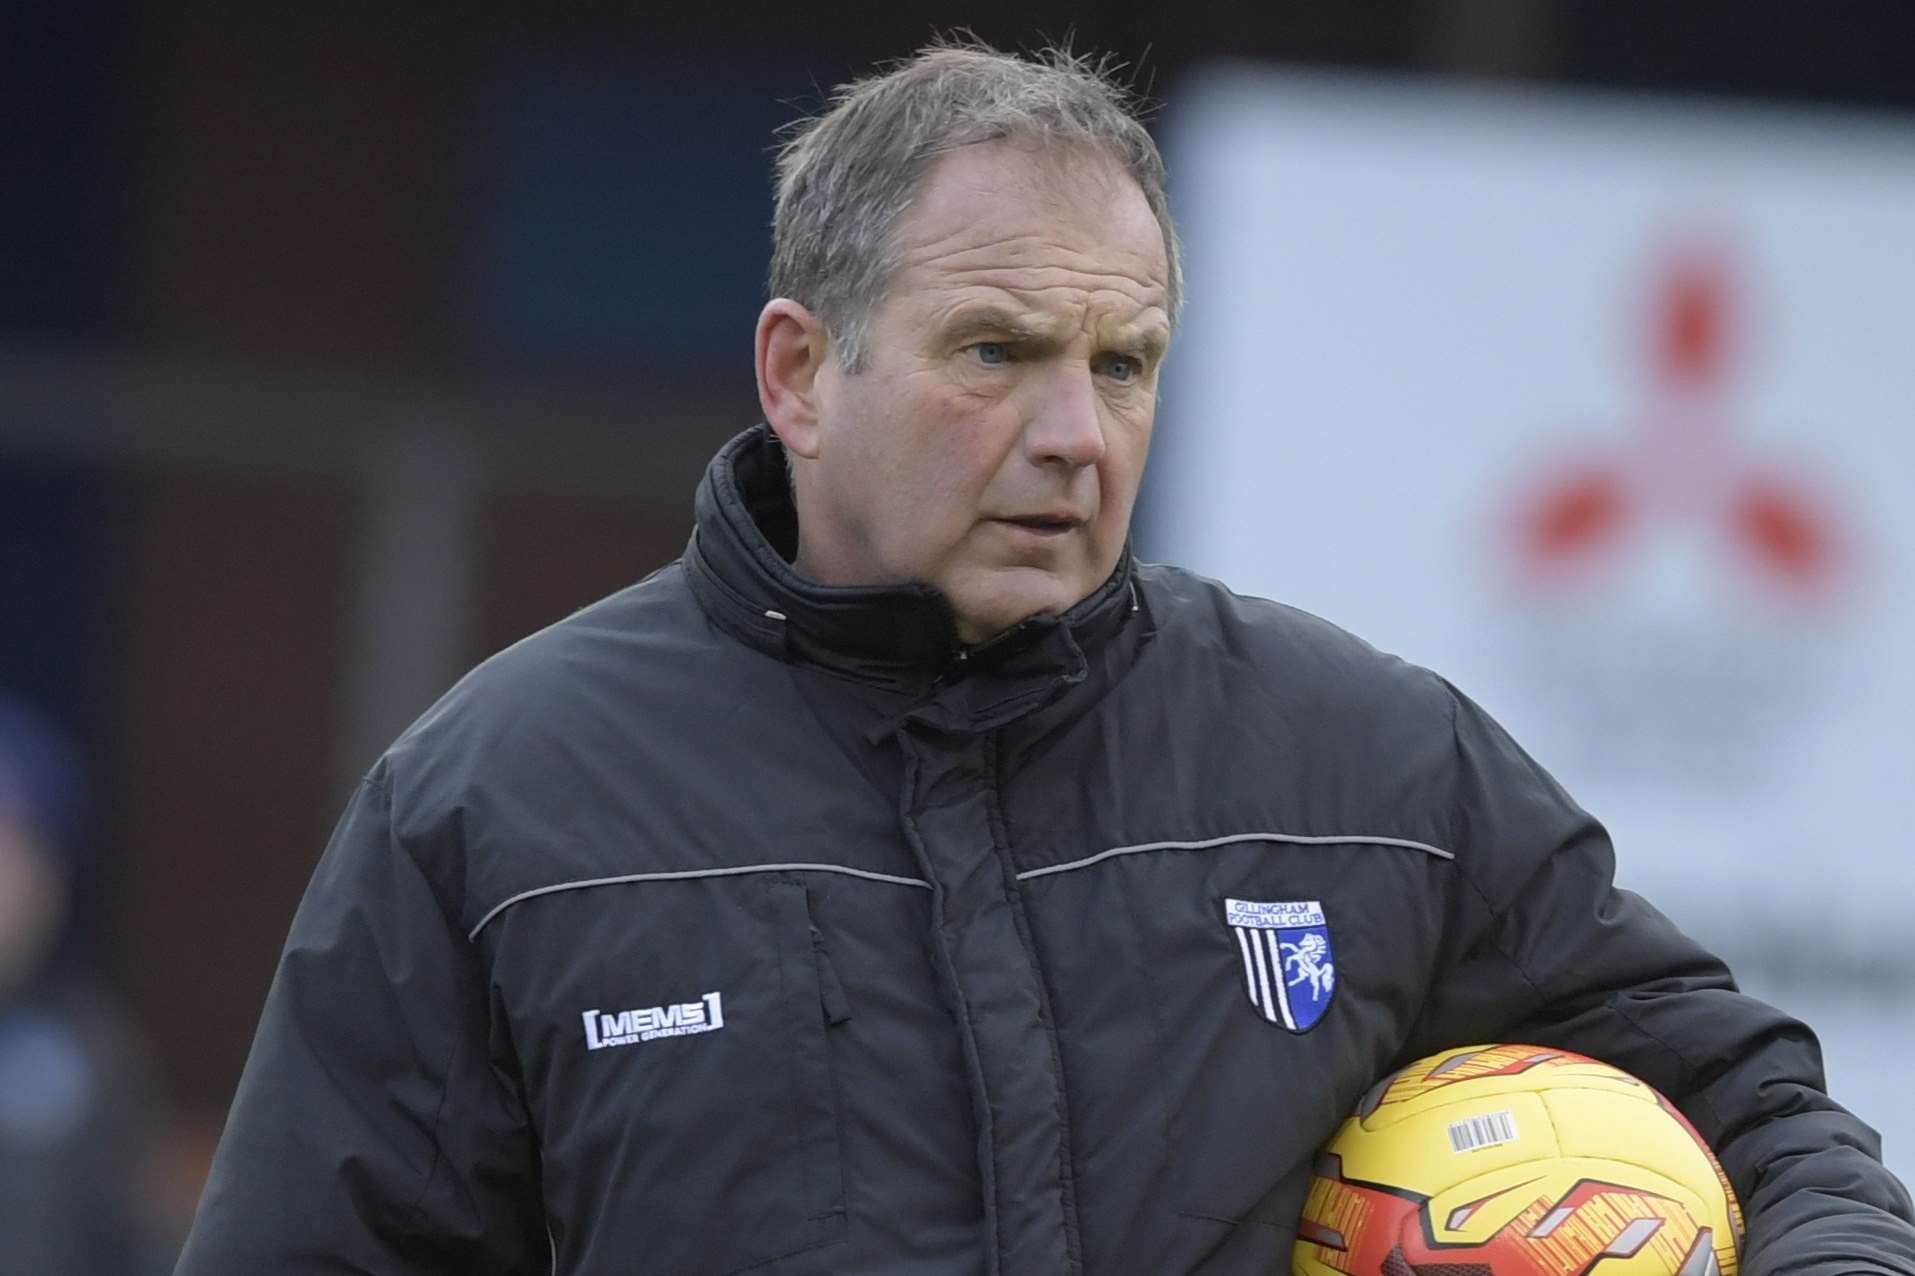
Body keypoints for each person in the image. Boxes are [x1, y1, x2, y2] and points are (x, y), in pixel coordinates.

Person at [175, 42, 1915, 1275]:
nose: (1076, 433)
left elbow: (1758, 1108)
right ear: (799, 371)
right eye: (996, 350)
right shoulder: (501, 805)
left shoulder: (1368, 768)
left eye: (1127, 361)